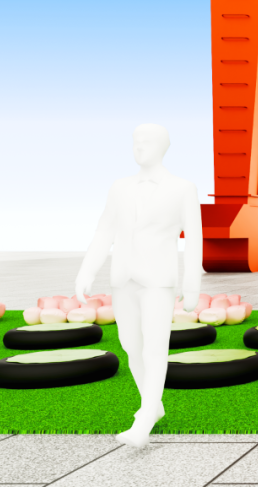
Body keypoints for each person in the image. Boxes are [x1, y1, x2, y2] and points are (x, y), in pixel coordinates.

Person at [74, 124, 202, 448]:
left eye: (146, 142)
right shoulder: (119, 187)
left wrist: (192, 284)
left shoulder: (182, 188)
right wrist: (87, 271)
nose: (139, 147)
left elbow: (194, 238)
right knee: (131, 346)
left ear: (163, 147)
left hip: (158, 279)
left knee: (155, 347)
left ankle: (144, 420)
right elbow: (104, 230)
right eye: (136, 141)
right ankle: (153, 405)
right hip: (123, 278)